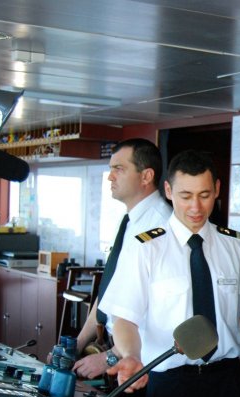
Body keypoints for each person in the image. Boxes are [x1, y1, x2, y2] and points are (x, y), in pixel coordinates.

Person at [100, 149, 240, 397]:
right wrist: (131, 356)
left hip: (227, 384)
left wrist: (218, 331)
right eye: (185, 195)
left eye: (205, 195)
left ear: (217, 189)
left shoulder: (235, 245)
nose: (195, 206)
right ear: (167, 191)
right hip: (170, 386)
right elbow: (124, 318)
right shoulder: (145, 247)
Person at [71, 138, 171, 381]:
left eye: (119, 169)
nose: (110, 177)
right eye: (110, 169)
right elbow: (110, 291)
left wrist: (112, 357)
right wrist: (77, 343)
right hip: (119, 352)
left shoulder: (161, 226)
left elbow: (158, 312)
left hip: (144, 365)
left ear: (146, 176)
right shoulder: (130, 221)